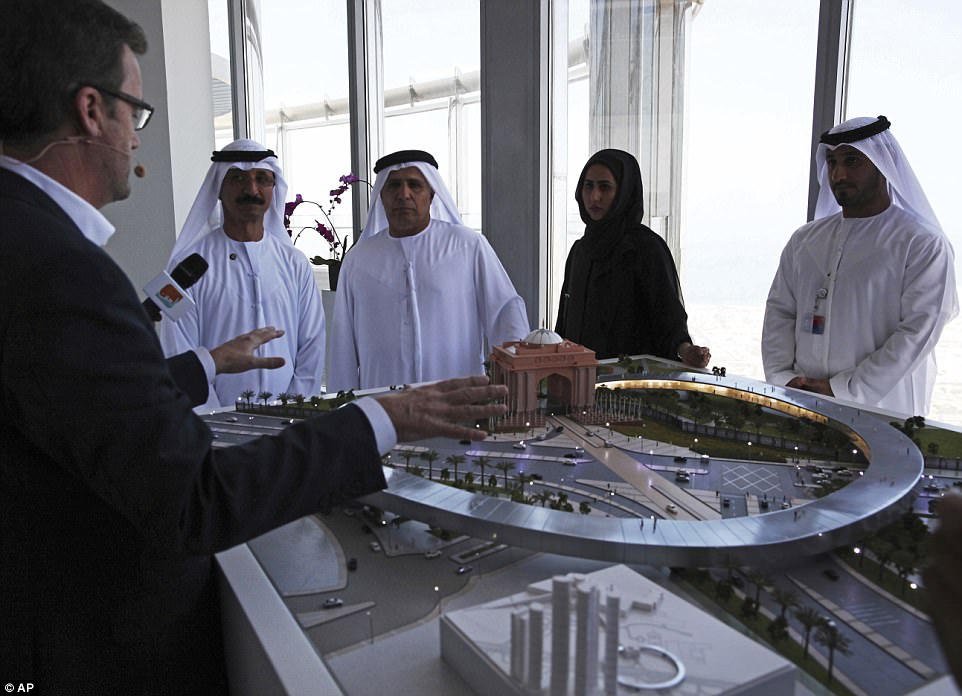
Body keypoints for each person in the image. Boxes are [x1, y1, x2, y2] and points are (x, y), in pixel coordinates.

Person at [0, 3, 507, 693]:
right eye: (135, 114)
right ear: (92, 112)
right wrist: (380, 415)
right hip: (79, 624)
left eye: (264, 178)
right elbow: (187, 492)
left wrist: (216, 365)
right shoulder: (69, 267)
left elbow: (309, 343)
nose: (137, 140)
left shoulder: (309, 261)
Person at [762, 115, 958, 416]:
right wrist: (783, 380)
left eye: (852, 161)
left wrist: (844, 388)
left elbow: (918, 332)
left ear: (882, 164)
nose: (839, 174)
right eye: (832, 161)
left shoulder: (921, 243)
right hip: (802, 403)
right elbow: (780, 311)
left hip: (884, 408)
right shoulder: (804, 240)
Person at [328, 149, 530, 391]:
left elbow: (505, 310)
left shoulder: (467, 246)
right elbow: (343, 346)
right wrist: (344, 413)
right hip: (382, 410)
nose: (404, 194)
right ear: (381, 195)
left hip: (457, 405)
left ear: (432, 193)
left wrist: (514, 378)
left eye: (415, 185)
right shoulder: (358, 261)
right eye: (393, 186)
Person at [159, 139, 327, 409]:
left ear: (274, 189)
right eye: (237, 178)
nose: (252, 189)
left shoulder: (295, 264)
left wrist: (292, 408)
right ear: (218, 188)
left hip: (287, 421)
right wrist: (217, 418)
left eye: (262, 179)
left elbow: (312, 346)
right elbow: (179, 348)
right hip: (214, 425)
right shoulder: (185, 266)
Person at [554, 148, 710, 366]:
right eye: (588, 186)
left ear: (624, 192)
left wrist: (686, 351)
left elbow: (668, 321)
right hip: (578, 383)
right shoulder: (580, 251)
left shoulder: (646, 249)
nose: (594, 196)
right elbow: (564, 327)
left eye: (605, 187)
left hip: (631, 388)